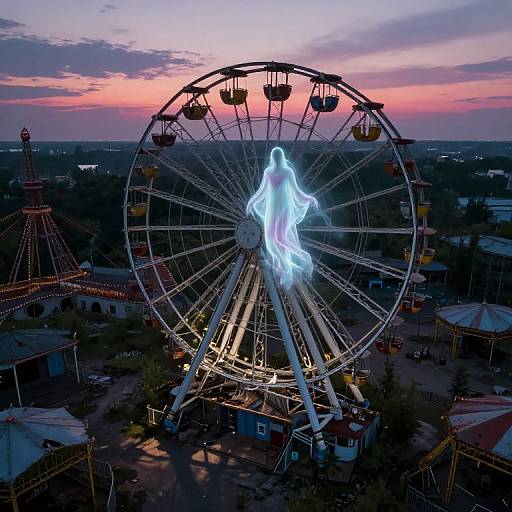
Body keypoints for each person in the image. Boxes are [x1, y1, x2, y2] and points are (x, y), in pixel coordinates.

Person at [247, 147, 317, 288]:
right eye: (276, 155)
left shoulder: (288, 172)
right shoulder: (268, 172)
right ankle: (283, 267)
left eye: (278, 155)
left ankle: (302, 258)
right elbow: (262, 191)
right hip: (272, 209)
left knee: (280, 238)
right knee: (272, 238)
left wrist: (309, 198)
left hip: (284, 208)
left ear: (280, 157)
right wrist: (252, 202)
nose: (277, 157)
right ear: (274, 157)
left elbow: (296, 191)